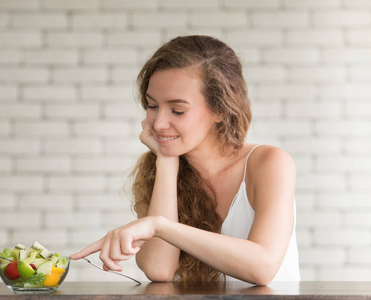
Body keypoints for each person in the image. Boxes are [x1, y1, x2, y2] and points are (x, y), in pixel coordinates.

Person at [70, 35, 300, 285]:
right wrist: (167, 163)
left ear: (221, 109)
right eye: (152, 106)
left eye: (177, 110)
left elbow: (263, 267)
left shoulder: (269, 163)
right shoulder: (154, 169)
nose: (159, 124)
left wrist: (159, 226)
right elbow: (159, 269)